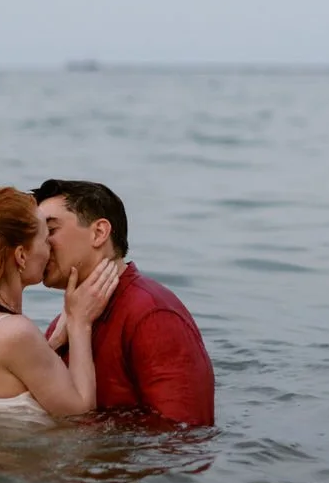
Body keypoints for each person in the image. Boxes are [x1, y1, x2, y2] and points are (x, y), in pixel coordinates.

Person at [33, 179, 215, 427]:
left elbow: (184, 438)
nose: (39, 245)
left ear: (99, 233)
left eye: (50, 231)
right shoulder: (68, 320)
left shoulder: (153, 315)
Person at [0, 185, 119, 420]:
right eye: (46, 239)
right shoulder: (16, 332)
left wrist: (55, 341)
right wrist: (79, 323)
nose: (51, 249)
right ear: (21, 256)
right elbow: (81, 415)